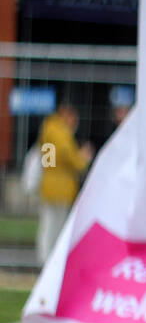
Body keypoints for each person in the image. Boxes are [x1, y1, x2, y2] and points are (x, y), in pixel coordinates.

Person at [35, 102, 93, 263]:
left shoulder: (47, 130)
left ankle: (44, 257)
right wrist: (83, 157)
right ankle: (51, 260)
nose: (75, 122)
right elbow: (75, 162)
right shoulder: (62, 134)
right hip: (61, 186)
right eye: (73, 118)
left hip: (48, 183)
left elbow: (48, 161)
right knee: (58, 227)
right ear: (66, 115)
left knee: (47, 224)